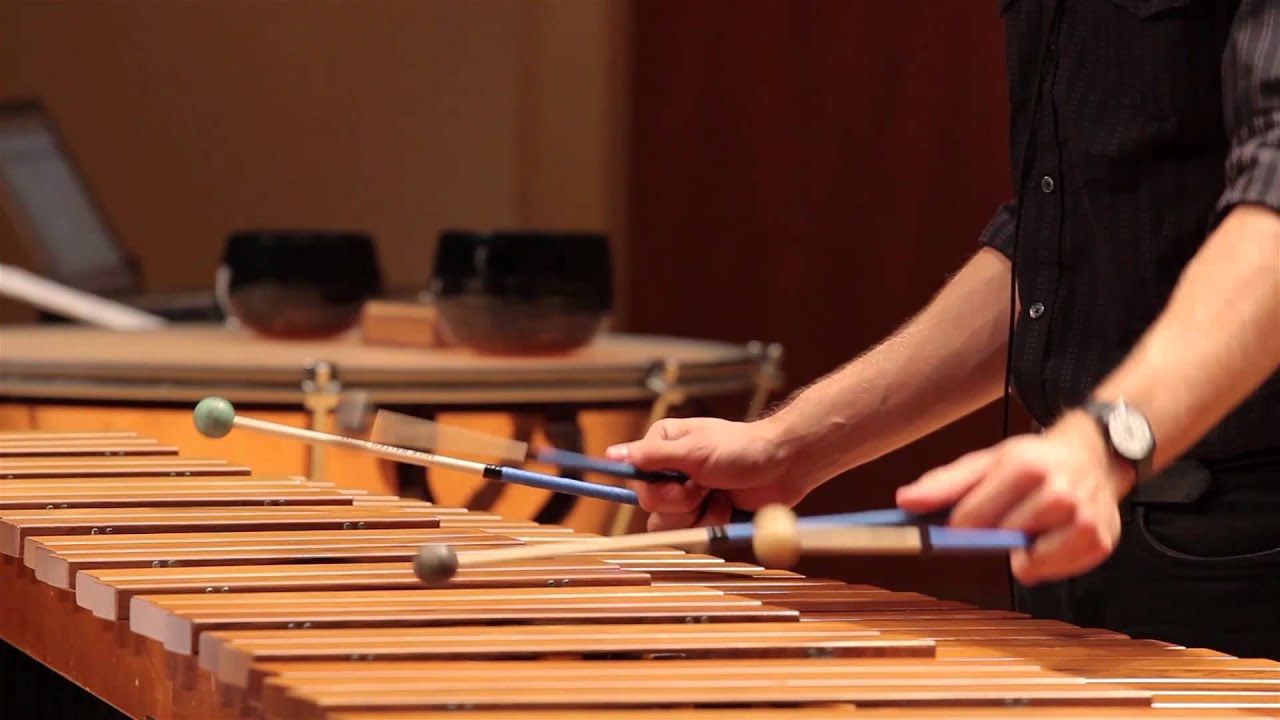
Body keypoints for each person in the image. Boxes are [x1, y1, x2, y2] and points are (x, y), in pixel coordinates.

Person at [606, 0, 1280, 660]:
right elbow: (1066, 247)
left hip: (1246, 542)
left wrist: (1106, 442)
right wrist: (788, 449)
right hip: (1086, 535)